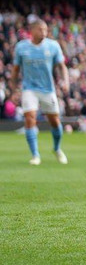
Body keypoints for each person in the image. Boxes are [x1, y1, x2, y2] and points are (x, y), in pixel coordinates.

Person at [10, 19, 69, 166]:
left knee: (54, 121)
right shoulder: (21, 47)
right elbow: (16, 69)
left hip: (48, 89)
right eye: (40, 29)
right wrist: (13, 87)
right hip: (29, 89)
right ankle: (35, 155)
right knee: (30, 118)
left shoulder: (53, 46)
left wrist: (65, 81)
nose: (43, 32)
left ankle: (57, 148)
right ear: (32, 30)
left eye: (45, 29)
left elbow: (62, 66)